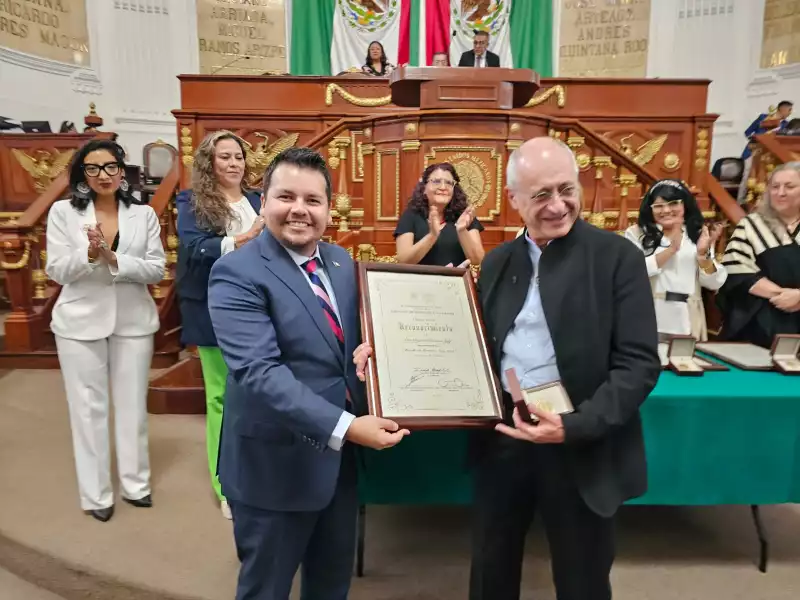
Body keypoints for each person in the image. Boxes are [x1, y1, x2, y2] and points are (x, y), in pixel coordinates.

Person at [354, 136, 660, 600]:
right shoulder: (497, 262)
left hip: (582, 444)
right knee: (491, 568)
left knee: (583, 577)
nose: (558, 205)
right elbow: (468, 343)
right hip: (504, 439)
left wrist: (576, 425)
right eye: (540, 195)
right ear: (514, 200)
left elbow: (638, 364)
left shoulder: (617, 258)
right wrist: (387, 350)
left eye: (566, 189)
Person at [207, 147, 409, 600]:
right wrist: (348, 427)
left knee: (330, 587)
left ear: (328, 209)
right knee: (267, 589)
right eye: (286, 197)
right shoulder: (235, 272)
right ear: (264, 202)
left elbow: (353, 341)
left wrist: (376, 347)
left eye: (313, 200)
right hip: (272, 470)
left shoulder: (340, 263)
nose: (300, 209)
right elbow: (259, 373)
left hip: (336, 471)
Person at [46, 139, 166, 522]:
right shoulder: (62, 213)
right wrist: (87, 254)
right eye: (94, 168)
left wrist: (115, 259)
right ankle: (96, 493)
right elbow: (56, 270)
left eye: (111, 166)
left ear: (122, 170)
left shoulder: (143, 214)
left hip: (133, 319)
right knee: (87, 408)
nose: (104, 175)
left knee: (132, 406)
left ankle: (136, 484)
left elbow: (155, 269)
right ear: (82, 173)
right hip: (79, 320)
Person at [176, 130, 264, 520]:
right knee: (220, 397)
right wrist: (238, 241)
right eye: (224, 157)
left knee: (258, 393)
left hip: (258, 307)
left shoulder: (259, 199)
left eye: (238, 156)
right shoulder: (191, 201)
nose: (233, 163)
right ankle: (224, 483)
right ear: (209, 163)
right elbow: (194, 249)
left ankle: (255, 473)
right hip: (213, 308)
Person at [624, 179, 727, 339]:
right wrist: (670, 251)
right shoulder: (636, 233)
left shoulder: (697, 233)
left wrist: (703, 256)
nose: (666, 210)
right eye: (658, 206)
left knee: (684, 363)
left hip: (688, 317)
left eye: (673, 204)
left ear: (685, 205)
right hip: (648, 314)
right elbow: (632, 272)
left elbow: (713, 282)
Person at [718, 161, 800, 348]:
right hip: (762, 322)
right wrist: (784, 296)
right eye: (775, 187)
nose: (780, 193)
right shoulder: (752, 225)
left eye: (790, 187)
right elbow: (737, 271)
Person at [394, 162, 485, 266]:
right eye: (436, 181)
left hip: (455, 280)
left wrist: (462, 230)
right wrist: (432, 235)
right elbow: (404, 261)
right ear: (424, 188)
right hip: (421, 281)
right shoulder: (411, 215)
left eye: (449, 183)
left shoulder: (464, 216)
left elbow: (478, 260)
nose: (443, 187)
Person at [737, 101, 793, 203]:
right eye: (789, 110)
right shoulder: (763, 118)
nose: (790, 113)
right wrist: (755, 141)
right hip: (753, 152)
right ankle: (740, 202)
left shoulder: (786, 125)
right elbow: (748, 132)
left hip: (770, 156)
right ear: (783, 109)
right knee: (747, 177)